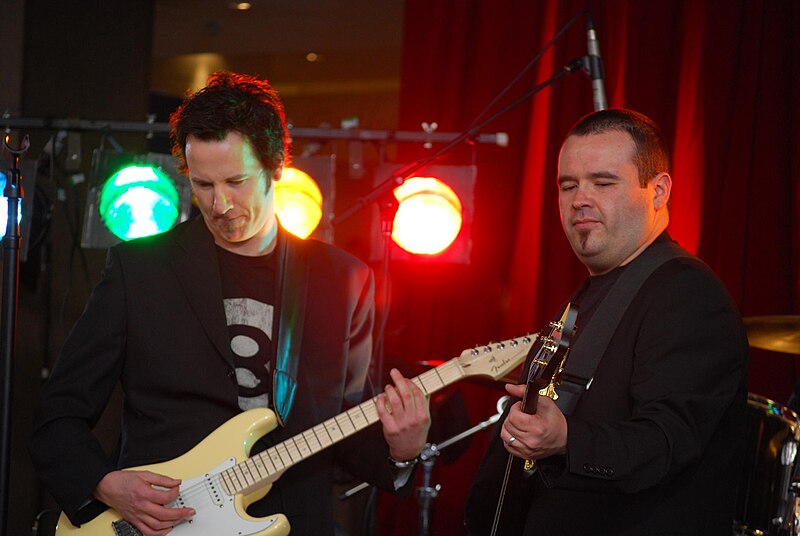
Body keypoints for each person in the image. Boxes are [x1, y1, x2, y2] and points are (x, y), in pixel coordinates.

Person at [29, 71, 430, 536]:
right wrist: (103, 483)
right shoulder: (139, 272)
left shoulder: (343, 280)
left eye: (236, 181)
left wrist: (402, 451)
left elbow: (345, 426)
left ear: (277, 164)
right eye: (203, 185)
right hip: (162, 525)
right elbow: (56, 415)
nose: (220, 204)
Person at [465, 109, 748, 535]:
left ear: (658, 191)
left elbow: (666, 441)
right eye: (568, 185)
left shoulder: (687, 294)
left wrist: (566, 440)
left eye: (603, 182)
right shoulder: (591, 294)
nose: (580, 198)